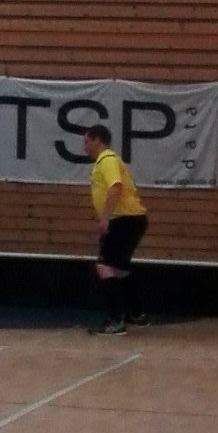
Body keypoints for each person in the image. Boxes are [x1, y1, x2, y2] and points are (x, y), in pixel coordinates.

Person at [85, 124, 149, 335]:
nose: (85, 146)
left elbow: (115, 188)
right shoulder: (106, 161)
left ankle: (116, 320)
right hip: (131, 219)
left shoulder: (107, 160)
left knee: (104, 266)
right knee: (119, 269)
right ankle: (137, 313)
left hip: (124, 219)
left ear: (97, 140)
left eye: (87, 141)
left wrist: (105, 219)